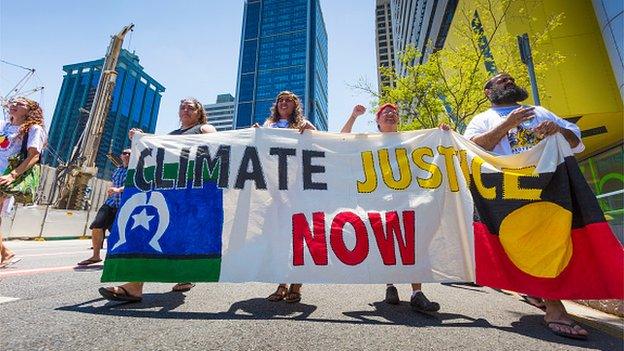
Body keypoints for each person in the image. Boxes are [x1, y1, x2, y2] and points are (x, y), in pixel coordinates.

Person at [463, 73, 588, 340]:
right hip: (508, 191)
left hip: (547, 185)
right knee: (518, 245)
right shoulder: (482, 120)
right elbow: (471, 147)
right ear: (488, 91)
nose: (509, 81)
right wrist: (506, 125)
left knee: (550, 244)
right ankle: (537, 291)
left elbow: (576, 141)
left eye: (510, 79)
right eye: (501, 80)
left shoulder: (541, 112)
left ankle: (554, 308)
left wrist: (559, 130)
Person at [99, 98, 216, 302]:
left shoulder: (204, 128)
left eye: (191, 107)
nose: (186, 110)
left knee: (182, 234)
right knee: (152, 231)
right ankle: (135, 286)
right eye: (182, 107)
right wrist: (141, 139)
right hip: (169, 189)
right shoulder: (171, 135)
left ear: (199, 112)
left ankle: (186, 273)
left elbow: (218, 146)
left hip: (192, 191)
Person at [341, 103, 440, 313]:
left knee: (412, 244)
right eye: (385, 113)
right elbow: (341, 139)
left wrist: (442, 134)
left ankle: (417, 293)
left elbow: (435, 153)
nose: (390, 114)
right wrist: (353, 116)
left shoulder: (412, 141)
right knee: (386, 243)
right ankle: (390, 286)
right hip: (379, 202)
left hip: (407, 201)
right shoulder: (369, 141)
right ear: (377, 122)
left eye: (394, 113)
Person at [263, 91, 315, 303]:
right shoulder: (269, 124)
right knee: (279, 236)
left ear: (295, 106)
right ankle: (281, 283)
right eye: (280, 101)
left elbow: (319, 142)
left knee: (298, 236)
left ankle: (296, 283)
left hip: (297, 188)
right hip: (275, 188)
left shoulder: (302, 123)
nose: (283, 103)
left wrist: (309, 130)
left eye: (288, 101)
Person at [0, 97, 46, 268]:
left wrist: (12, 175)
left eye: (21, 104)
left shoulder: (34, 129)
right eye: (13, 102)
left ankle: (6, 253)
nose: (14, 105)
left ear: (30, 110)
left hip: (6, 175)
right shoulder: (3, 125)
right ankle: (6, 252)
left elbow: (34, 155)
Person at [77, 149, 131, 266]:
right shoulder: (118, 169)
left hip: (124, 205)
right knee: (97, 225)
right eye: (124, 153)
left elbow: (131, 185)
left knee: (119, 232)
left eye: (129, 154)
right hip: (110, 203)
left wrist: (118, 189)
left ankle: (119, 258)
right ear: (121, 156)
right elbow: (113, 183)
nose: (126, 155)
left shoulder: (135, 170)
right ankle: (96, 256)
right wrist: (112, 188)